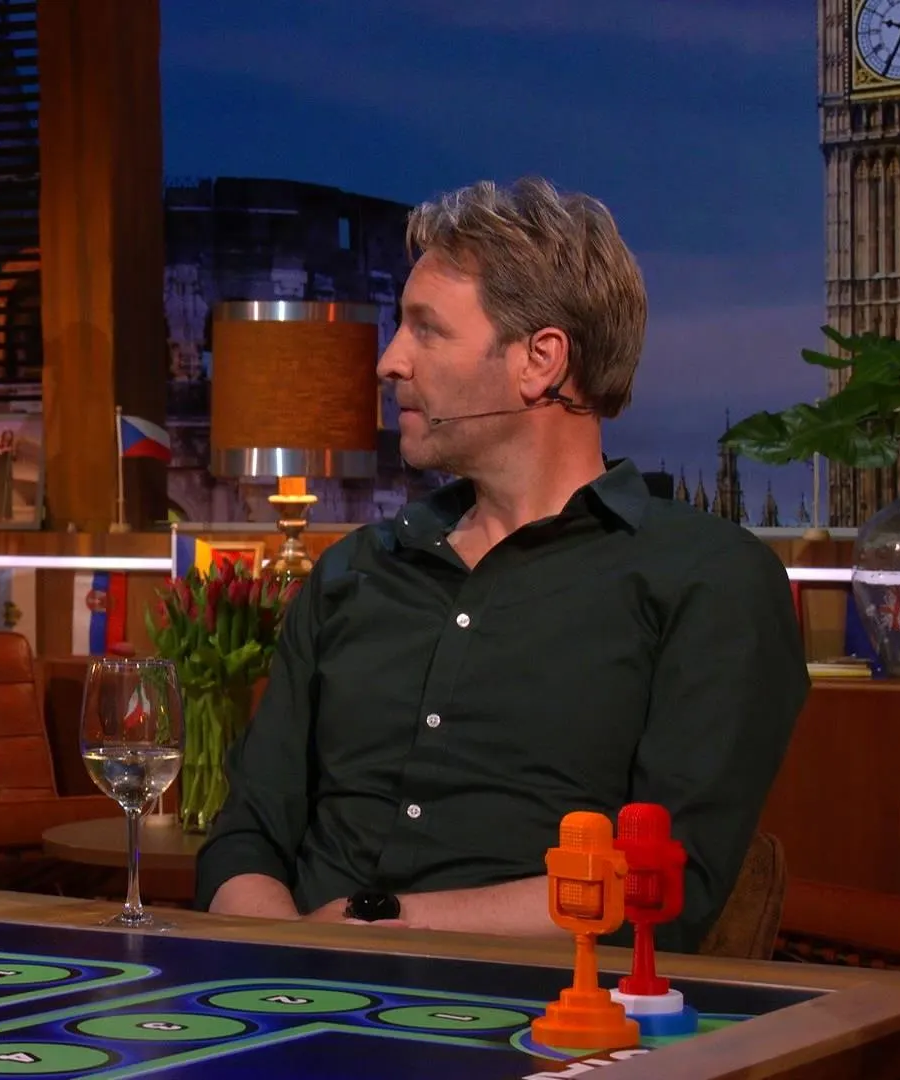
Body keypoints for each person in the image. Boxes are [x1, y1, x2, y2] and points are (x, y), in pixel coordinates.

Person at [194, 177, 808, 954]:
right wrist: (292, 969)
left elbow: (660, 889)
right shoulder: (354, 572)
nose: (389, 361)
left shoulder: (708, 582)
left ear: (539, 361)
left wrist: (381, 930)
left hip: (542, 1007)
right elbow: (244, 836)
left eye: (426, 330)